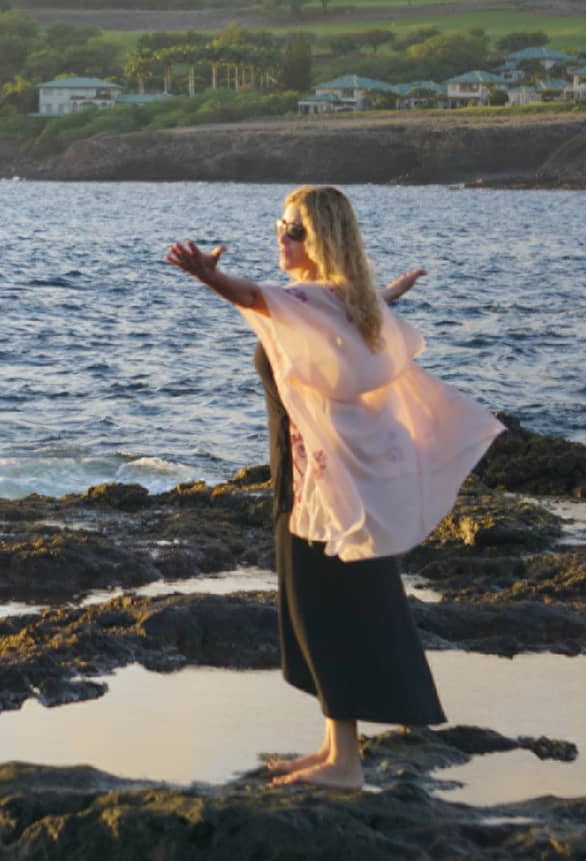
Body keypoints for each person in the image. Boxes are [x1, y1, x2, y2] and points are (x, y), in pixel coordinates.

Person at [165, 186, 504, 790]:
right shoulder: (345, 301)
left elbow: (253, 295)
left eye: (293, 230)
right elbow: (350, 304)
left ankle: (345, 765)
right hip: (316, 476)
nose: (281, 237)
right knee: (324, 610)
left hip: (319, 484)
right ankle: (332, 747)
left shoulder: (312, 300)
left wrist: (206, 276)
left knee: (327, 612)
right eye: (279, 224)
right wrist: (390, 292)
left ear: (321, 239)